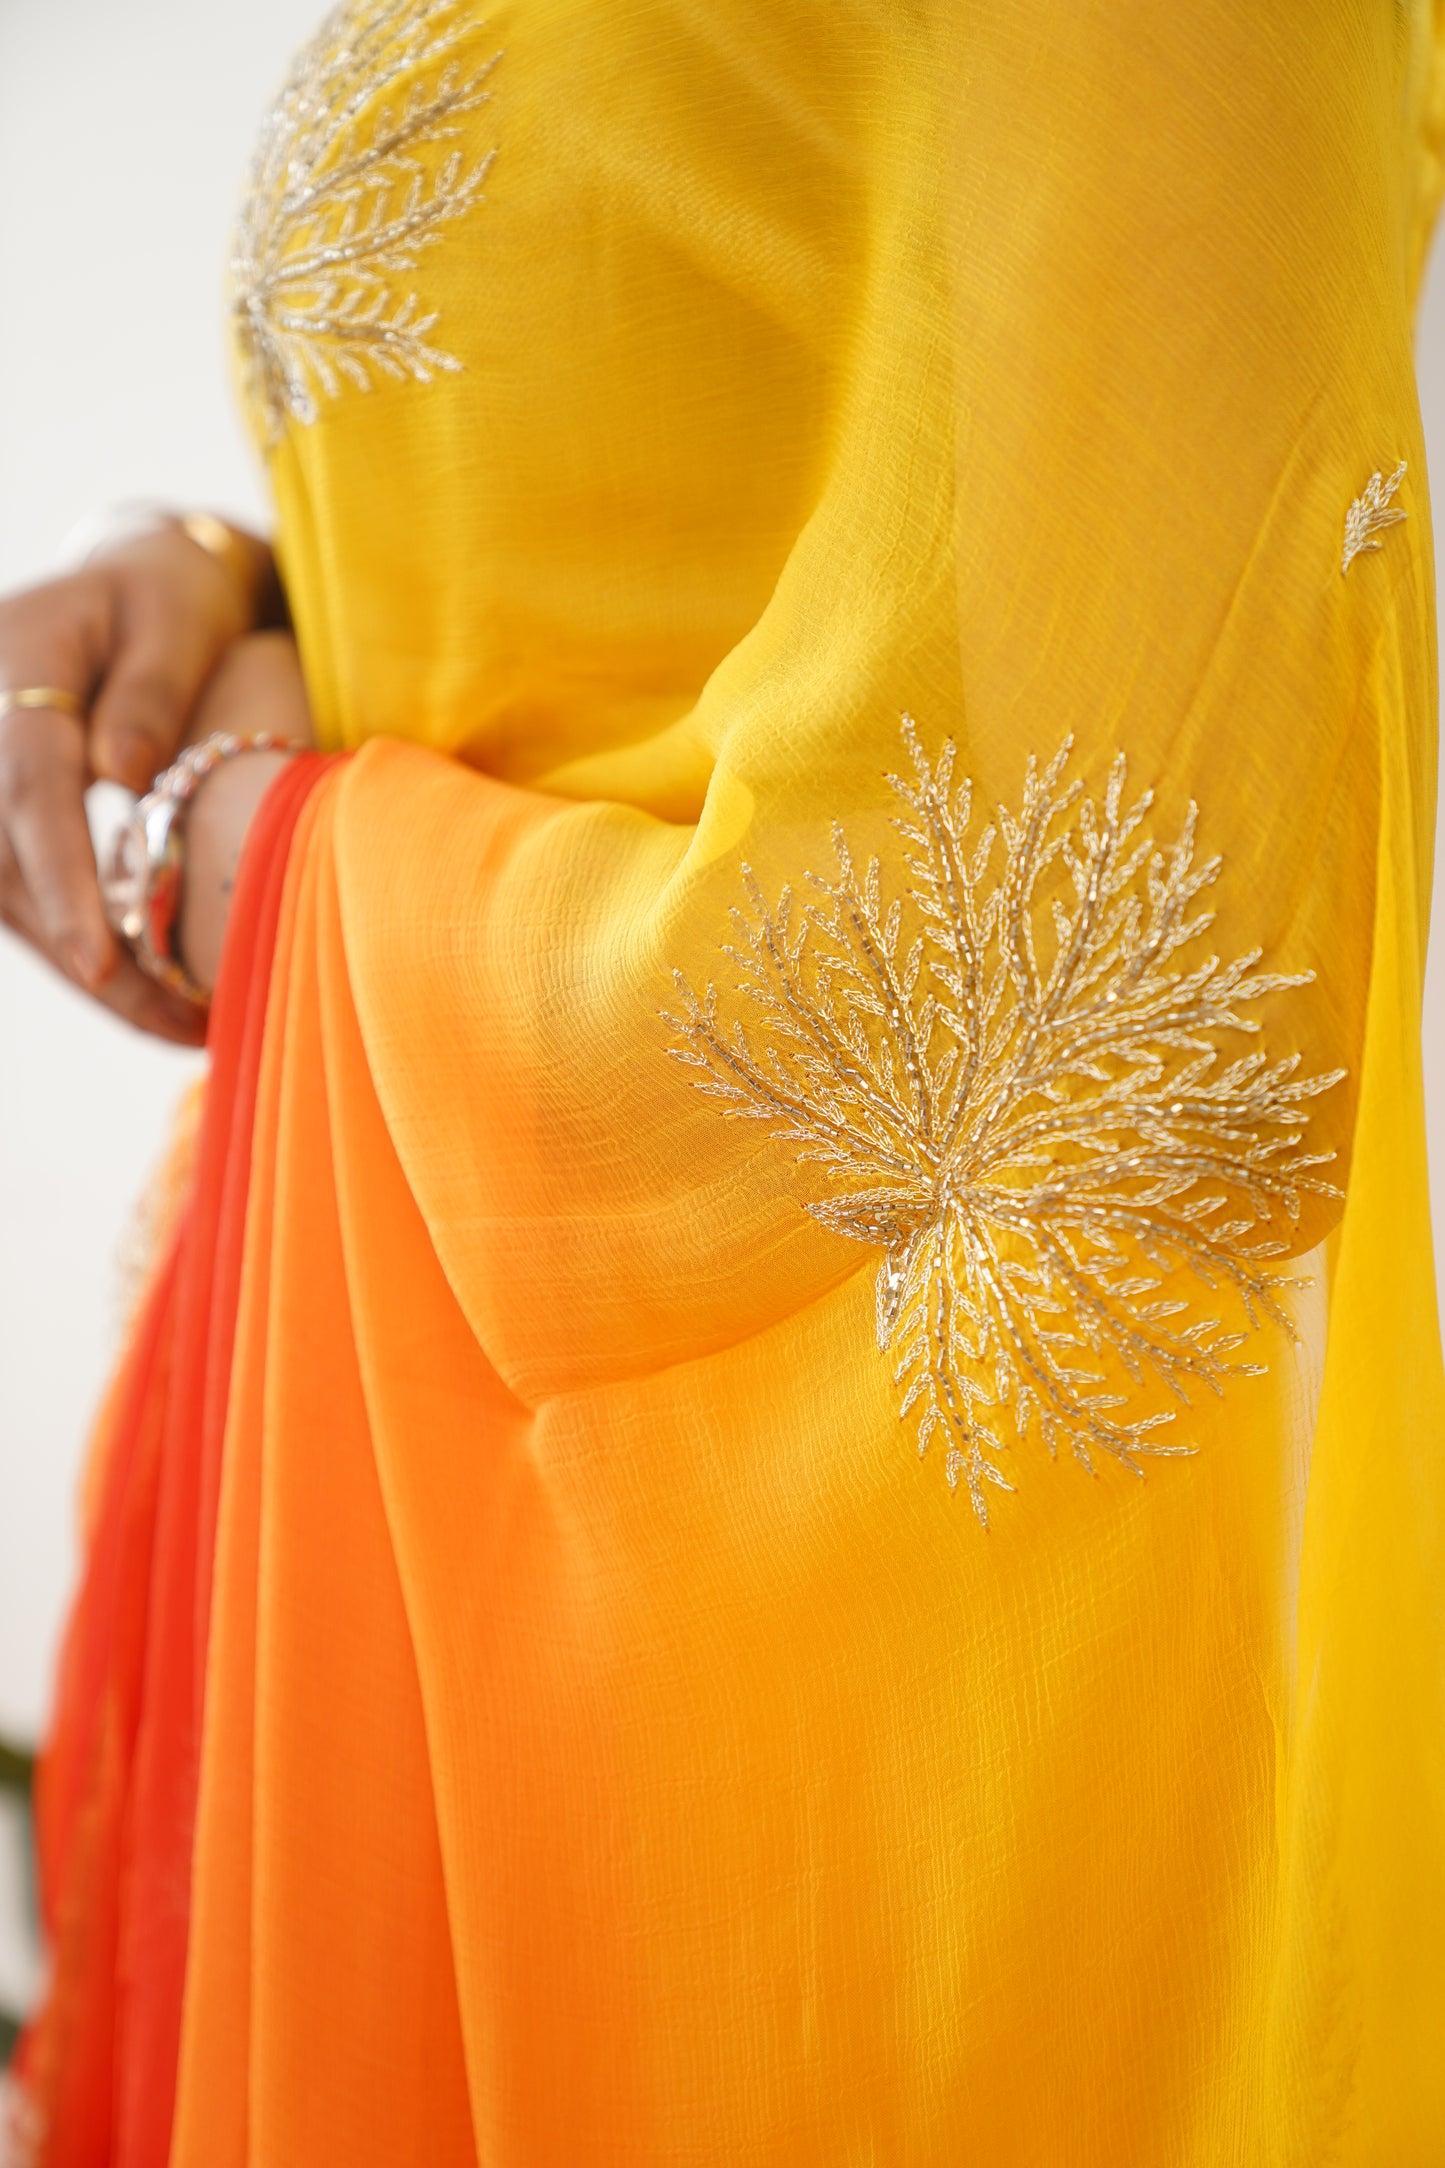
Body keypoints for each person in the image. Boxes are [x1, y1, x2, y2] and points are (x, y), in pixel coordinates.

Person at [2, 1, 1445, 2160]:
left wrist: (269, 864)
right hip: (454, 1538)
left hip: (830, 1688)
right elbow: (689, 453)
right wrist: (230, 563)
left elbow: (1139, 971)